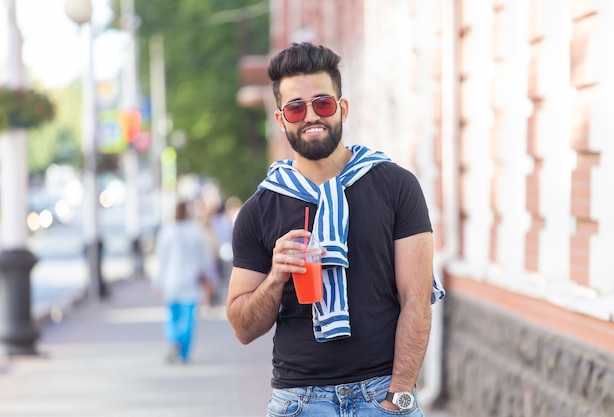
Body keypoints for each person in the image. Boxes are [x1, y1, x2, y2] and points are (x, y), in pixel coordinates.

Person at [226, 42, 445, 416]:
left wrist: (400, 397)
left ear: (342, 109)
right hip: (299, 402)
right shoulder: (259, 210)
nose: (311, 116)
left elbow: (416, 300)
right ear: (281, 120)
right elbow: (243, 327)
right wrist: (277, 276)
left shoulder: (396, 186)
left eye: (323, 104)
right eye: (296, 107)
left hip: (382, 395)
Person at [153, 200, 219, 364]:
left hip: (170, 280)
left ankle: (173, 339)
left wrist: (157, 282)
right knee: (188, 318)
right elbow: (203, 258)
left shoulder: (167, 231)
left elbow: (161, 259)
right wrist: (211, 277)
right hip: (190, 280)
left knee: (172, 316)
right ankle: (184, 352)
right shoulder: (195, 231)